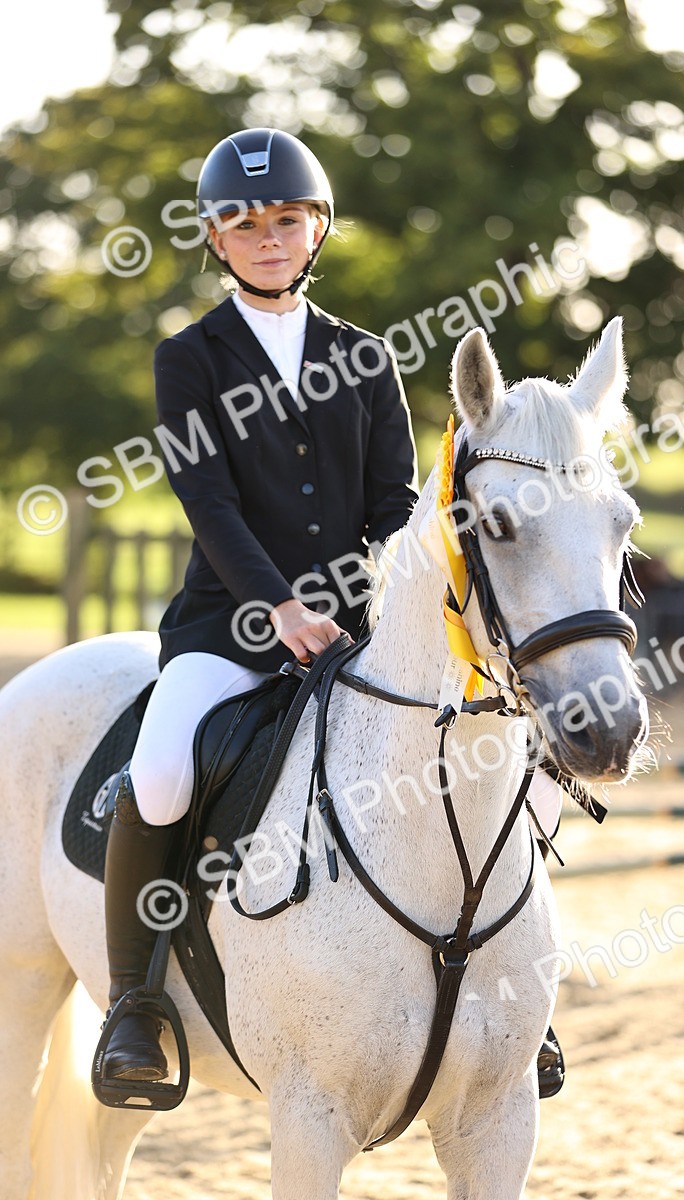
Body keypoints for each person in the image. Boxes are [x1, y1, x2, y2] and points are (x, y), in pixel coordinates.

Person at [98, 128, 418, 1081]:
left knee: (460, 739)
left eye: (287, 219)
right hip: (226, 627)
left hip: (356, 626)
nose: (267, 237)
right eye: (245, 223)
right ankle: (134, 1002)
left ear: (317, 230)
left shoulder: (367, 356)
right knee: (158, 775)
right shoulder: (187, 359)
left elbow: (394, 500)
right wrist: (280, 608)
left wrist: (389, 588)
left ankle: (493, 981)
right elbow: (212, 504)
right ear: (215, 237)